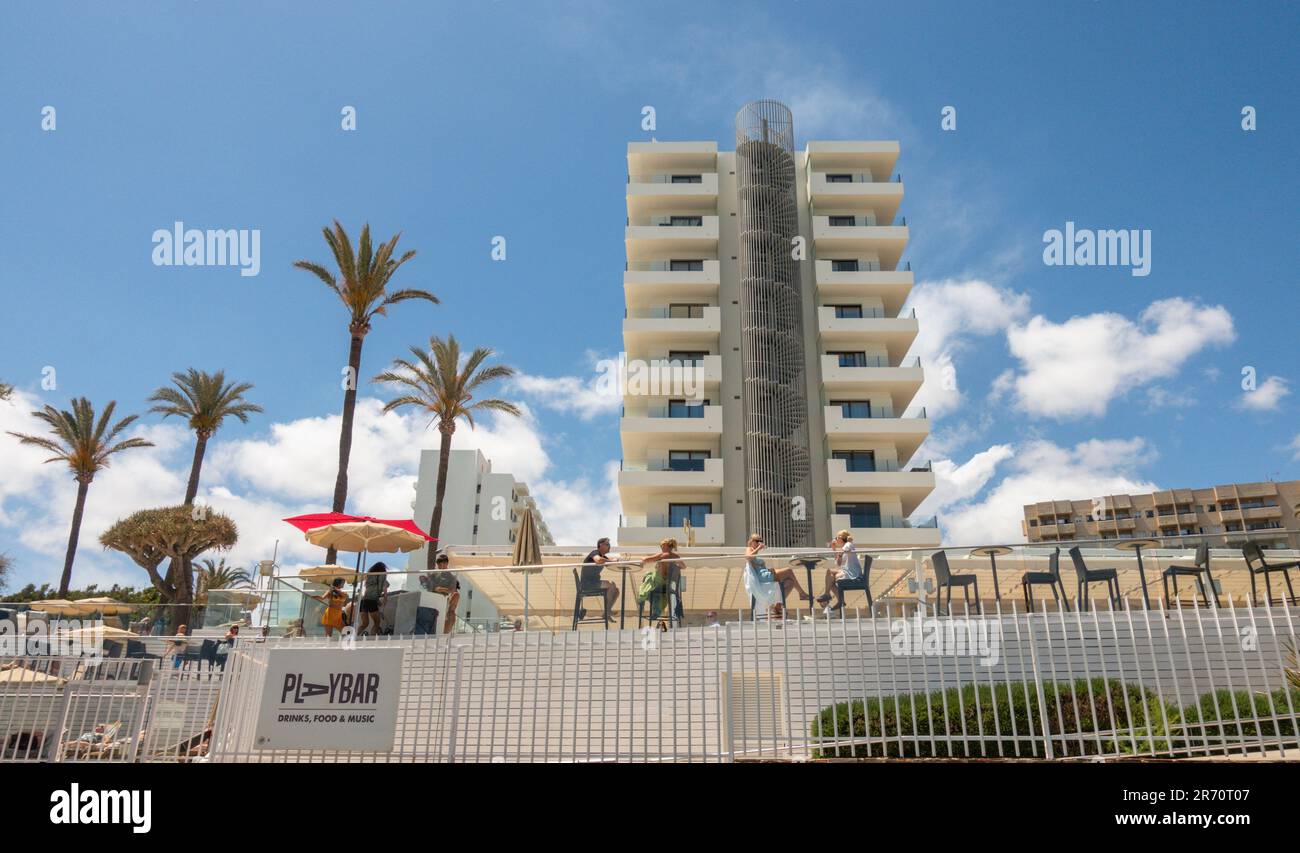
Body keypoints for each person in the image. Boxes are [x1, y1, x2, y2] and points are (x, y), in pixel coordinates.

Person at [745, 533, 810, 619]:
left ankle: (778, 605)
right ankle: (802, 594)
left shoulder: (755, 552)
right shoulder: (749, 548)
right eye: (757, 541)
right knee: (789, 571)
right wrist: (758, 548)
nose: (759, 543)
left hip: (765, 573)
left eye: (761, 541)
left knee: (790, 582)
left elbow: (759, 565)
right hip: (762, 576)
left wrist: (769, 569)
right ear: (751, 541)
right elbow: (748, 557)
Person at [638, 538, 684, 627]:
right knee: (659, 595)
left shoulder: (663, 555)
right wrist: (675, 566)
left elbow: (646, 559)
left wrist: (641, 558)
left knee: (647, 575)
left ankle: (641, 598)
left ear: (666, 546)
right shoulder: (676, 556)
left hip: (658, 582)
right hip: (666, 585)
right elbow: (683, 566)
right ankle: (656, 611)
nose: (661, 547)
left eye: (661, 545)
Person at [818, 530, 864, 613]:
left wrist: (838, 551)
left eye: (837, 537)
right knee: (829, 574)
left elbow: (843, 551)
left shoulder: (848, 544)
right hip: (847, 572)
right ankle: (830, 595)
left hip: (853, 574)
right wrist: (834, 549)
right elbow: (838, 563)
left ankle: (834, 598)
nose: (835, 539)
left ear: (841, 538)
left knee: (830, 579)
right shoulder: (844, 548)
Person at [580, 537, 620, 621]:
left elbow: (609, 560)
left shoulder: (603, 556)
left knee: (616, 591)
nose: (609, 546)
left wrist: (615, 560)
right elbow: (598, 560)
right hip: (587, 584)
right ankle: (607, 612)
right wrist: (611, 561)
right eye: (607, 544)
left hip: (594, 583)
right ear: (600, 545)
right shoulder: (595, 553)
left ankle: (606, 612)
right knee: (610, 585)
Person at [424, 553, 460, 634]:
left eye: (444, 562)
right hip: (433, 599)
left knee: (455, 598)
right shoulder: (433, 575)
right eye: (439, 563)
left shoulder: (451, 577)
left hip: (444, 600)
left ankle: (445, 632)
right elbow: (429, 587)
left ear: (447, 564)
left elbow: (453, 590)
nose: (442, 565)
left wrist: (441, 589)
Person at [358, 561, 389, 636]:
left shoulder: (369, 576)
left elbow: (370, 591)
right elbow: (384, 588)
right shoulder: (382, 576)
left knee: (364, 624)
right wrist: (385, 598)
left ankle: (353, 637)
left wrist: (377, 600)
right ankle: (371, 640)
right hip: (371, 601)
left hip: (363, 601)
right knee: (377, 622)